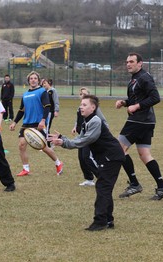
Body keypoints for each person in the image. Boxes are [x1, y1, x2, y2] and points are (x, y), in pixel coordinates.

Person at [49, 95, 125, 231]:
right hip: (107, 157)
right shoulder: (86, 121)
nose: (81, 107)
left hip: (111, 156)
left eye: (84, 105)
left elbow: (87, 139)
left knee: (103, 187)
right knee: (104, 187)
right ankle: (108, 220)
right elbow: (81, 138)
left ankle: (100, 222)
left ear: (93, 107)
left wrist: (64, 143)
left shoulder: (95, 120)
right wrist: (62, 138)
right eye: (81, 105)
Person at [116, 52, 163, 200]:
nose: (128, 64)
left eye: (132, 61)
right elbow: (138, 97)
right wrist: (125, 103)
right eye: (127, 61)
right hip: (145, 121)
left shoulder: (144, 77)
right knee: (145, 155)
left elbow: (155, 98)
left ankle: (134, 184)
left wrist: (136, 107)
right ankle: (162, 187)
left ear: (140, 63)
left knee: (118, 148)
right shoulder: (136, 78)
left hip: (139, 120)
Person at [9, 71, 63, 176]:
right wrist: (14, 122)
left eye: (35, 78)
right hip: (26, 124)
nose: (33, 80)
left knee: (43, 147)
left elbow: (47, 106)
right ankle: (26, 169)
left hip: (38, 124)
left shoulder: (42, 91)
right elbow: (21, 110)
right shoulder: (25, 94)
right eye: (31, 78)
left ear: (38, 80)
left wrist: (43, 120)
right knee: (21, 145)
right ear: (28, 81)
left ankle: (58, 162)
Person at [72, 87, 107, 186]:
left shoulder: (93, 108)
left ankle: (102, 178)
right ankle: (89, 179)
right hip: (82, 136)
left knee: (87, 157)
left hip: (90, 137)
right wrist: (75, 127)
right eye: (81, 94)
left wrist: (101, 134)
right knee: (81, 158)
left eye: (85, 94)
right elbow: (78, 119)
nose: (82, 95)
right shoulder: (80, 108)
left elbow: (103, 121)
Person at [42, 78, 60, 147]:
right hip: (45, 112)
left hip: (50, 112)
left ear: (49, 83)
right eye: (43, 83)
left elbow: (56, 101)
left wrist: (56, 110)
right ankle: (49, 142)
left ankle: (50, 144)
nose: (43, 85)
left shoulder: (53, 91)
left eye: (45, 83)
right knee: (44, 128)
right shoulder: (45, 92)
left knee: (46, 128)